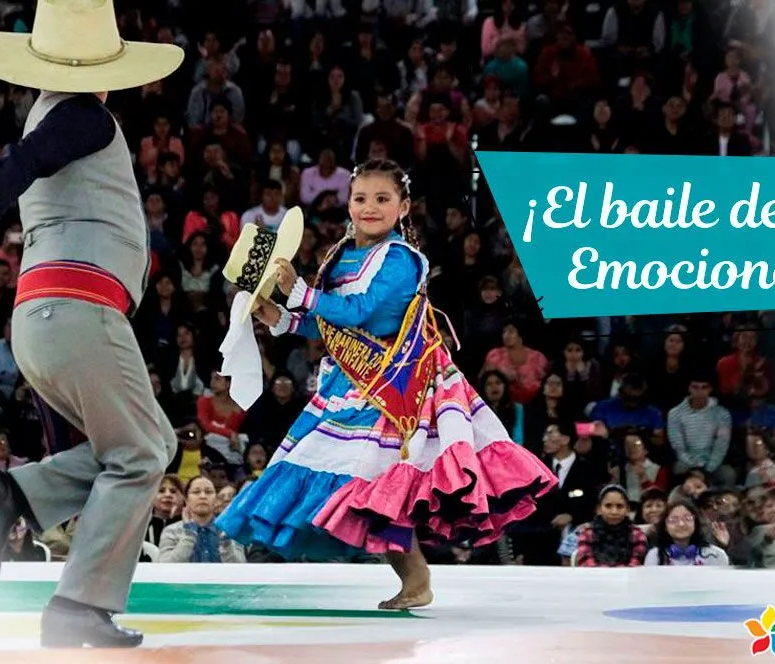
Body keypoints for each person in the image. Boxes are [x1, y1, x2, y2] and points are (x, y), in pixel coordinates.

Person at [0, 0, 185, 649]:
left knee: (144, 442)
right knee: (143, 453)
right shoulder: (82, 116)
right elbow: (21, 163)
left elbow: (28, 158)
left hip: (49, 317)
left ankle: (6, 494)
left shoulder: (59, 114)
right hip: (78, 309)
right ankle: (78, 603)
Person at [216, 158, 557, 609]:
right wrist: (281, 318)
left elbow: (364, 313)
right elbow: (332, 327)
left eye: (382, 199)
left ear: (404, 206)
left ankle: (416, 577)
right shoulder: (340, 255)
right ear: (349, 203)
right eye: (360, 198)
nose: (369, 207)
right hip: (350, 384)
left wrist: (301, 293)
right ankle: (413, 577)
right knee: (360, 486)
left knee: (378, 485)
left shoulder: (400, 259)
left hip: (399, 386)